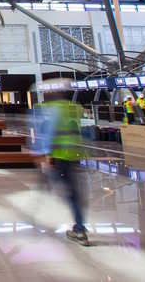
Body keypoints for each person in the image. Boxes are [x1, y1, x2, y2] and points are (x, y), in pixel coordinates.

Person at [44, 97, 89, 246]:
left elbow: (51, 134)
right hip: (74, 156)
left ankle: (78, 227)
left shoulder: (53, 109)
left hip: (59, 157)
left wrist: (48, 154)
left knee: (66, 192)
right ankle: (79, 227)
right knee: (73, 193)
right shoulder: (74, 108)